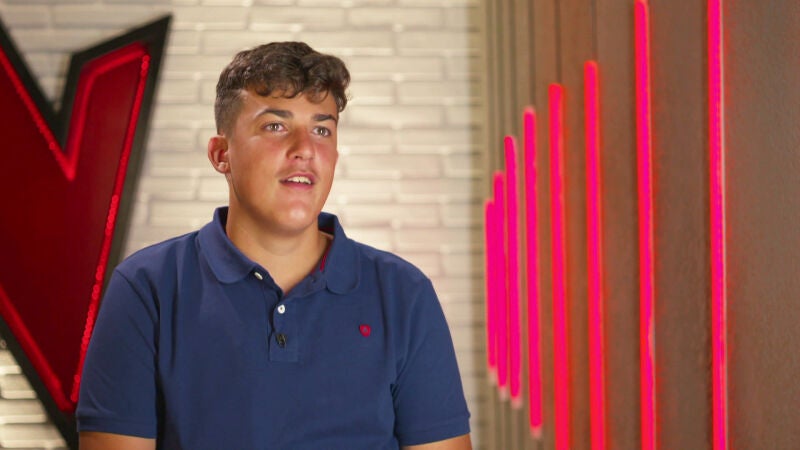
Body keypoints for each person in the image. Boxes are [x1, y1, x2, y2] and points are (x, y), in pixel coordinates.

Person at [76, 42, 472, 449]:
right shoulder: (147, 288)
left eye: (322, 129)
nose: (305, 149)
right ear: (221, 154)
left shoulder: (404, 294)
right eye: (275, 126)